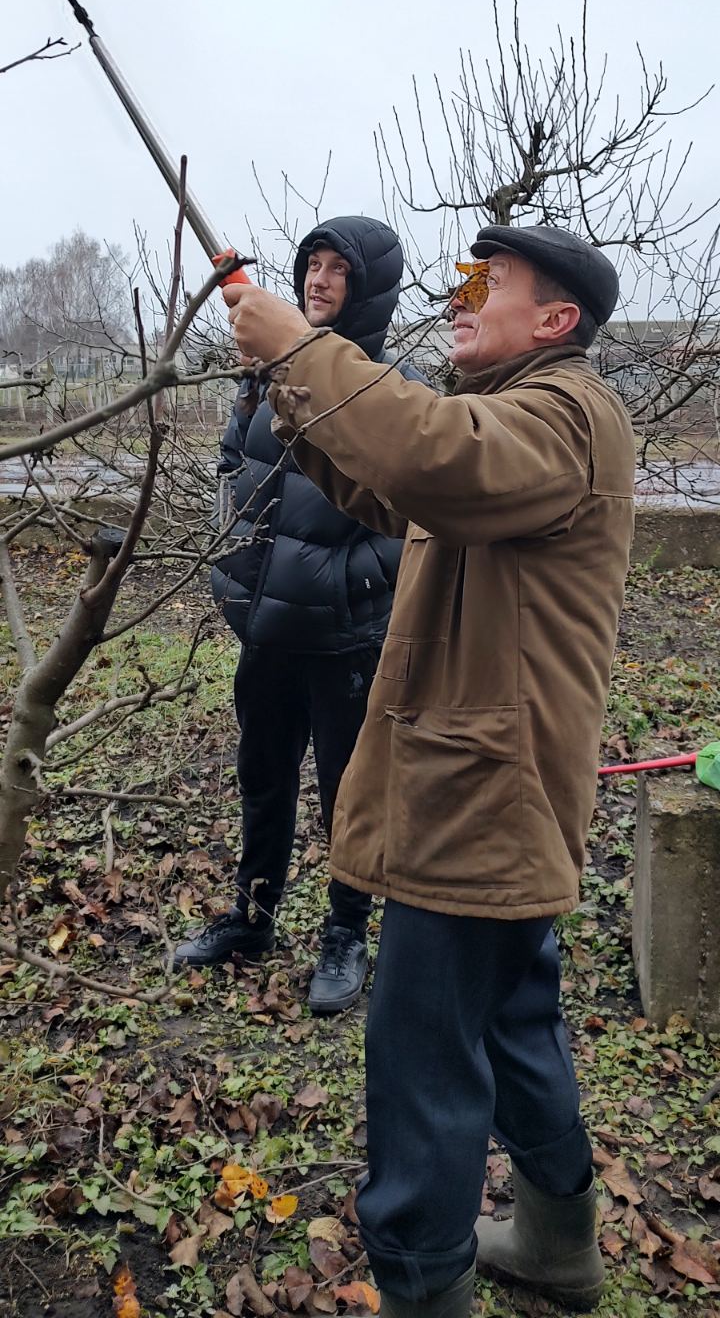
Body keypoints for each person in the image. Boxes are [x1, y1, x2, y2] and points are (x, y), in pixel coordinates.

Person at [221, 221, 636, 1317]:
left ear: (555, 320)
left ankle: (422, 1286)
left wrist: (300, 347)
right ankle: (557, 1245)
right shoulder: (519, 420)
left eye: (487, 284)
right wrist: (291, 387)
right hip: (494, 793)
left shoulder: (564, 414)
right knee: (512, 1022)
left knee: (423, 1062)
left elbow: (429, 457)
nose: (460, 298)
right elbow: (389, 487)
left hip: (475, 802)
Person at [175, 216, 428, 1015]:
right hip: (267, 629)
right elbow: (233, 464)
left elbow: (417, 516)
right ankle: (252, 920)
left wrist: (352, 582)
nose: (318, 280)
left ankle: (345, 933)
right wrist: (237, 557)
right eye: (311, 265)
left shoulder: (392, 388)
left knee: (348, 793)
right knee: (263, 777)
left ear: (369, 287)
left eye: (337, 269)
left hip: (344, 635)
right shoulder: (265, 372)